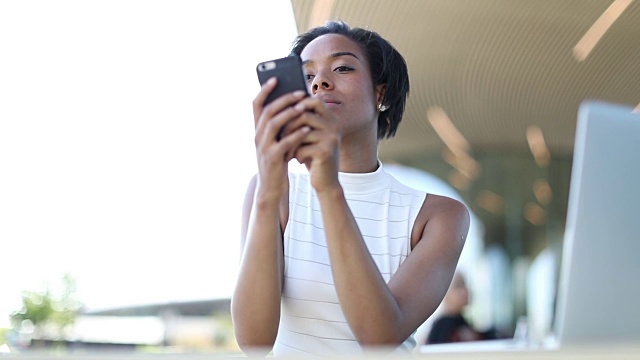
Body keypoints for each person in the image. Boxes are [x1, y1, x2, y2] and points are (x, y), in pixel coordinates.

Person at [231, 20, 470, 357]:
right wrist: (269, 192)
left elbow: (380, 337)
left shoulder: (438, 216)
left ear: (380, 93)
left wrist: (328, 189)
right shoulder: (273, 191)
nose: (320, 83)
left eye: (342, 67)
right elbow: (253, 341)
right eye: (307, 76)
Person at [425, 271, 497, 344]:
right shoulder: (442, 328)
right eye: (458, 286)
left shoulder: (461, 323)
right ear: (443, 292)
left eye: (465, 285)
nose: (466, 290)